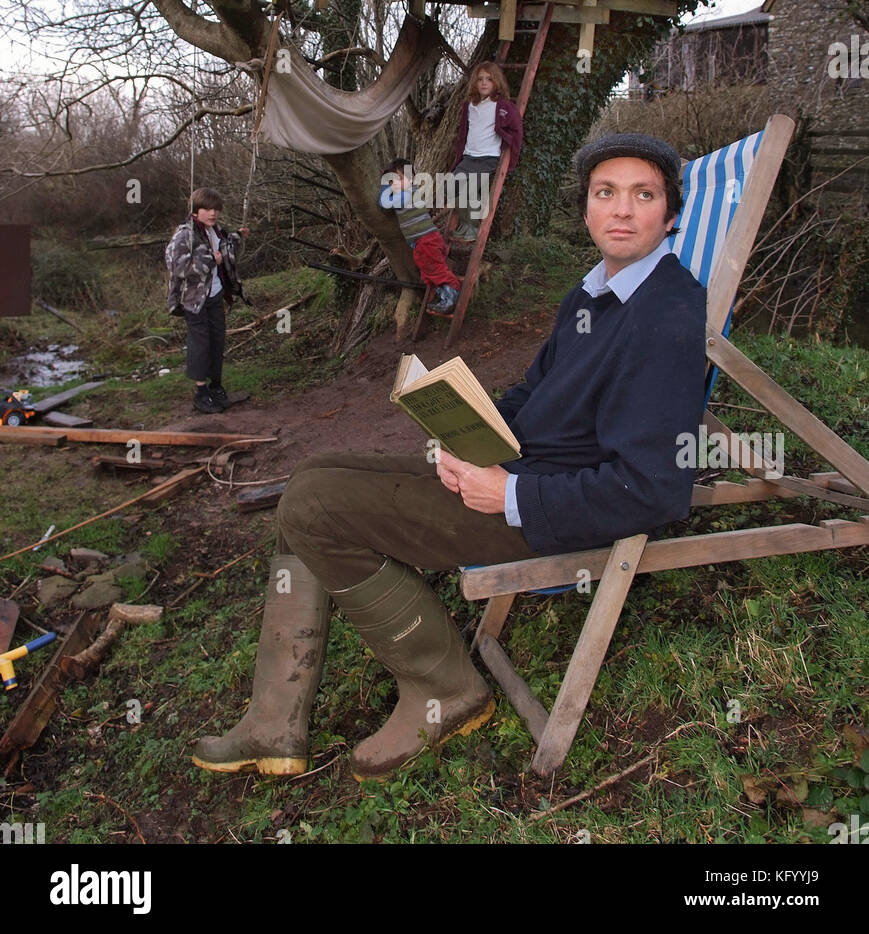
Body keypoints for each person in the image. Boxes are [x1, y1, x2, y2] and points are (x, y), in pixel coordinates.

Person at [191, 133, 706, 780]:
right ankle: (274, 719)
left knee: (316, 507)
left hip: (546, 508)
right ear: (586, 208)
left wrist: (509, 496)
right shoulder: (594, 293)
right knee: (313, 475)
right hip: (514, 468)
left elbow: (654, 489)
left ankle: (444, 690)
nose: (623, 211)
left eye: (643, 195)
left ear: (669, 212)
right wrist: (468, 429)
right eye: (606, 193)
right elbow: (531, 394)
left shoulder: (665, 316)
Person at [165, 187, 249, 414]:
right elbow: (176, 265)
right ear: (196, 211)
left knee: (217, 340)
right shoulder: (185, 234)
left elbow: (226, 247)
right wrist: (211, 260)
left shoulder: (216, 231)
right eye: (207, 209)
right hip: (194, 300)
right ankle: (200, 393)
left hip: (215, 294)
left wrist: (239, 237)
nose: (212, 213)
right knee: (200, 343)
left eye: (215, 209)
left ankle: (216, 387)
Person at [449, 60, 523, 242]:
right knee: (452, 186)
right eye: (480, 79)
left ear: (496, 82)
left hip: (488, 157)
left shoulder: (503, 106)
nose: (483, 83)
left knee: (472, 190)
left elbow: (517, 129)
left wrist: (510, 145)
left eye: (489, 79)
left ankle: (473, 227)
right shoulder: (470, 106)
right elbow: (464, 133)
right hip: (469, 156)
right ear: (474, 82)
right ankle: (466, 224)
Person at [379, 156, 461, 315]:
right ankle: (445, 297)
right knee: (428, 272)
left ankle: (453, 295)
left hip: (426, 241)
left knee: (436, 271)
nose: (393, 184)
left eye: (398, 179)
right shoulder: (406, 192)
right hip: (422, 242)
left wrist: (384, 185)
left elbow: (384, 203)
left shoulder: (407, 195)